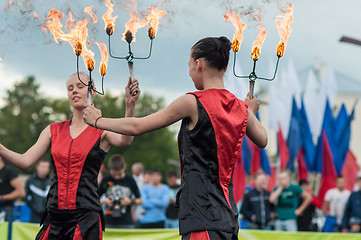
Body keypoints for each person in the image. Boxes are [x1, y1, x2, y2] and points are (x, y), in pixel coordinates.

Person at [83, 36, 267, 240]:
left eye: (189, 64)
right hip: (228, 218)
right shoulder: (240, 108)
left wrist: (98, 120)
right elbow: (263, 139)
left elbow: (138, 126)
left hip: (201, 215)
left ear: (198, 64)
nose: (189, 72)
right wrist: (250, 111)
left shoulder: (192, 102)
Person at [0, 72, 140, 240]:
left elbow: (126, 139)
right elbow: (25, 161)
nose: (74, 91)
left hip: (85, 219)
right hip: (54, 217)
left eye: (80, 87)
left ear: (93, 91)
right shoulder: (53, 130)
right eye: (70, 88)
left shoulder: (102, 129)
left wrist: (129, 105)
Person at [98, 154, 142, 228]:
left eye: (119, 174)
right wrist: (103, 201)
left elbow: (140, 200)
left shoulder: (130, 180)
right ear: (110, 169)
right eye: (114, 174)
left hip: (126, 223)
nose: (117, 177)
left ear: (124, 167)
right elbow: (94, 199)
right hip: (108, 223)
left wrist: (130, 202)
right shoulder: (106, 180)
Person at [0, 156, 25, 240]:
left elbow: (21, 192)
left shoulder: (9, 172)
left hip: (6, 211)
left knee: (6, 236)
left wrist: (2, 197)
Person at [24, 159, 51, 223]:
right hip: (34, 215)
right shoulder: (30, 180)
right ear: (37, 167)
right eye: (43, 166)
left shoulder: (51, 181)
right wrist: (34, 206)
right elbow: (24, 196)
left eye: (47, 167)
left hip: (49, 216)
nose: (46, 169)